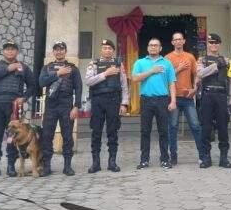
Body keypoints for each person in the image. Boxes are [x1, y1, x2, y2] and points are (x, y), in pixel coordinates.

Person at [0, 41, 37, 178]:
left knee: (13, 136)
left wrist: (24, 98)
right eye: (7, 49)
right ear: (3, 51)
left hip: (14, 106)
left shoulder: (23, 67)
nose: (10, 51)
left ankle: (11, 166)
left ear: (17, 52)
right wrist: (8, 69)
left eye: (13, 49)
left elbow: (32, 85)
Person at [83, 39, 129, 173]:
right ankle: (95, 163)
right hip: (98, 101)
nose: (107, 50)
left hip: (113, 101)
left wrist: (124, 103)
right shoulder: (94, 64)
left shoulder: (118, 64)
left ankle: (112, 162)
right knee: (96, 132)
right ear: (101, 50)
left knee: (112, 132)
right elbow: (88, 81)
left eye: (109, 48)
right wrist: (105, 74)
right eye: (105, 48)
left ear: (113, 51)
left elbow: (124, 85)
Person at [39, 41, 83, 176]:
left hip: (66, 104)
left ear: (65, 51)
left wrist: (76, 106)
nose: (59, 52)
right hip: (51, 105)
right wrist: (58, 73)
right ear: (53, 52)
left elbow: (79, 88)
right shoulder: (47, 68)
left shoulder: (73, 69)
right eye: (56, 50)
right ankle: (46, 166)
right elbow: (41, 82)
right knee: (47, 135)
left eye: (61, 49)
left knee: (68, 136)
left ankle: (67, 166)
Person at [132, 37, 177, 169]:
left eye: (156, 45)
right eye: (151, 45)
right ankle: (144, 160)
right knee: (145, 131)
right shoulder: (140, 62)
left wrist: (173, 101)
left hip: (162, 100)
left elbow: (172, 83)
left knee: (163, 131)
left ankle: (165, 159)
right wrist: (152, 71)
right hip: (146, 100)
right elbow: (135, 78)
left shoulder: (167, 63)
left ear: (160, 48)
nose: (153, 47)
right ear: (147, 48)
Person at [197, 33, 231, 169]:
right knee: (206, 128)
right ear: (207, 44)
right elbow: (200, 74)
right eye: (211, 43)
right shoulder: (202, 60)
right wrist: (216, 65)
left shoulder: (227, 61)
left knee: (223, 128)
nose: (213, 45)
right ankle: (206, 158)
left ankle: (224, 158)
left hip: (221, 96)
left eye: (216, 43)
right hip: (207, 95)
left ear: (219, 44)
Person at [165, 32, 202, 166]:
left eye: (180, 39)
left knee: (195, 126)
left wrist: (195, 88)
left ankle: (202, 155)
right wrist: (179, 68)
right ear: (172, 42)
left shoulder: (190, 57)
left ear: (184, 41)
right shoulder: (167, 58)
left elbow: (197, 74)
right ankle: (173, 157)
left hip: (187, 97)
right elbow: (165, 77)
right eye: (175, 40)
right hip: (173, 97)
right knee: (172, 127)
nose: (178, 41)